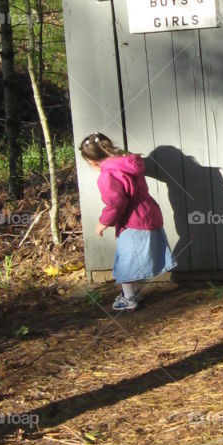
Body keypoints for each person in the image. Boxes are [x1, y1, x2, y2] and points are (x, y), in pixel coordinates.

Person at [79, 132, 176, 311]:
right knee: (132, 257)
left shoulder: (107, 175)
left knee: (125, 261)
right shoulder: (128, 164)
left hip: (133, 220)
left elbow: (116, 203)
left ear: (92, 162)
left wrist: (104, 222)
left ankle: (130, 298)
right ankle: (133, 291)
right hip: (148, 212)